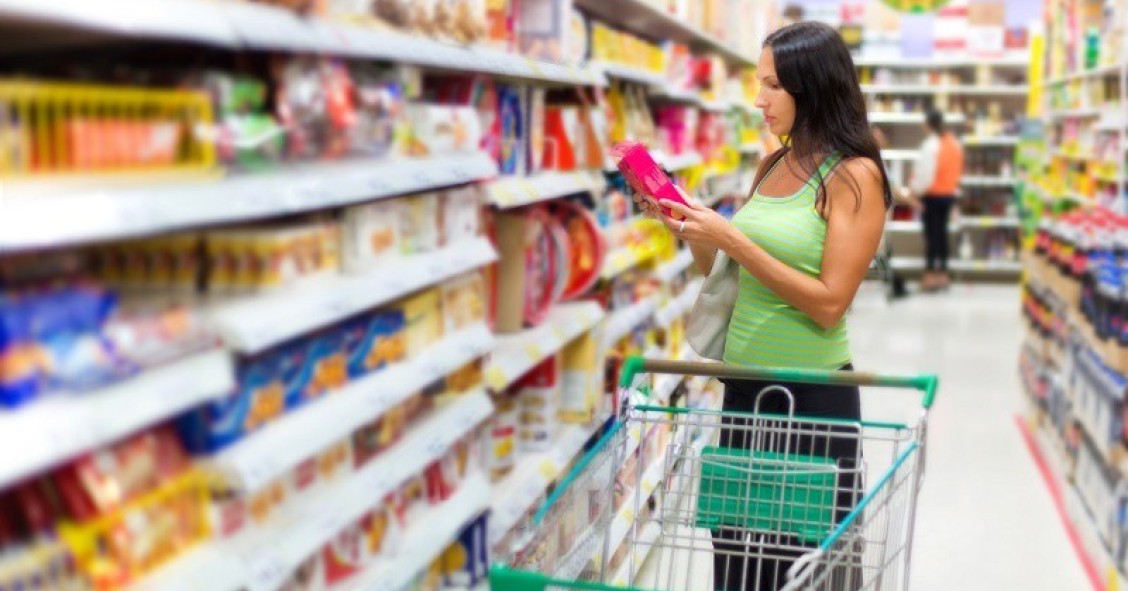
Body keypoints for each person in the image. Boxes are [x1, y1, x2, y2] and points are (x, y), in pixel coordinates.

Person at [634, 21, 890, 591]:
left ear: (812, 87)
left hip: (811, 397)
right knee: (737, 557)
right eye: (759, 82)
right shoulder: (771, 165)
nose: (759, 99)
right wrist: (694, 231)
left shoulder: (855, 176)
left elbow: (830, 305)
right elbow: (736, 276)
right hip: (744, 390)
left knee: (801, 566)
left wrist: (732, 238)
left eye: (773, 85)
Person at [905, 109, 964, 291]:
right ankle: (944, 275)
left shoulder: (931, 144)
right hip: (948, 194)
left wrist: (915, 192)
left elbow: (926, 176)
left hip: (932, 195)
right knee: (943, 234)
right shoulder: (954, 144)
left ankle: (930, 275)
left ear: (929, 124)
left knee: (931, 236)